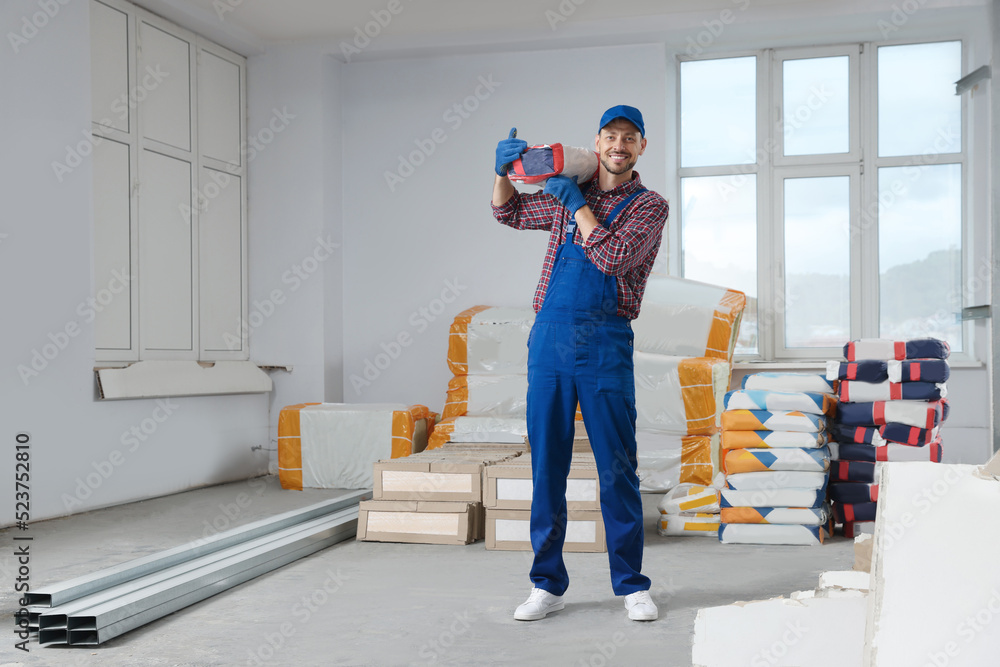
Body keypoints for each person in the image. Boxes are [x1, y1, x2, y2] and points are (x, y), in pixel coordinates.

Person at [490, 105, 669, 622]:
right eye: (610, 137)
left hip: (604, 342)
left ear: (640, 147)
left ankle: (632, 586)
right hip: (549, 340)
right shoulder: (575, 189)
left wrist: (577, 207)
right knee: (548, 466)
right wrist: (501, 173)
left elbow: (613, 259)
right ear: (597, 143)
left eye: (629, 138)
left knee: (617, 467)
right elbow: (510, 213)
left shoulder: (648, 207)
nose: (618, 146)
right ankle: (546, 584)